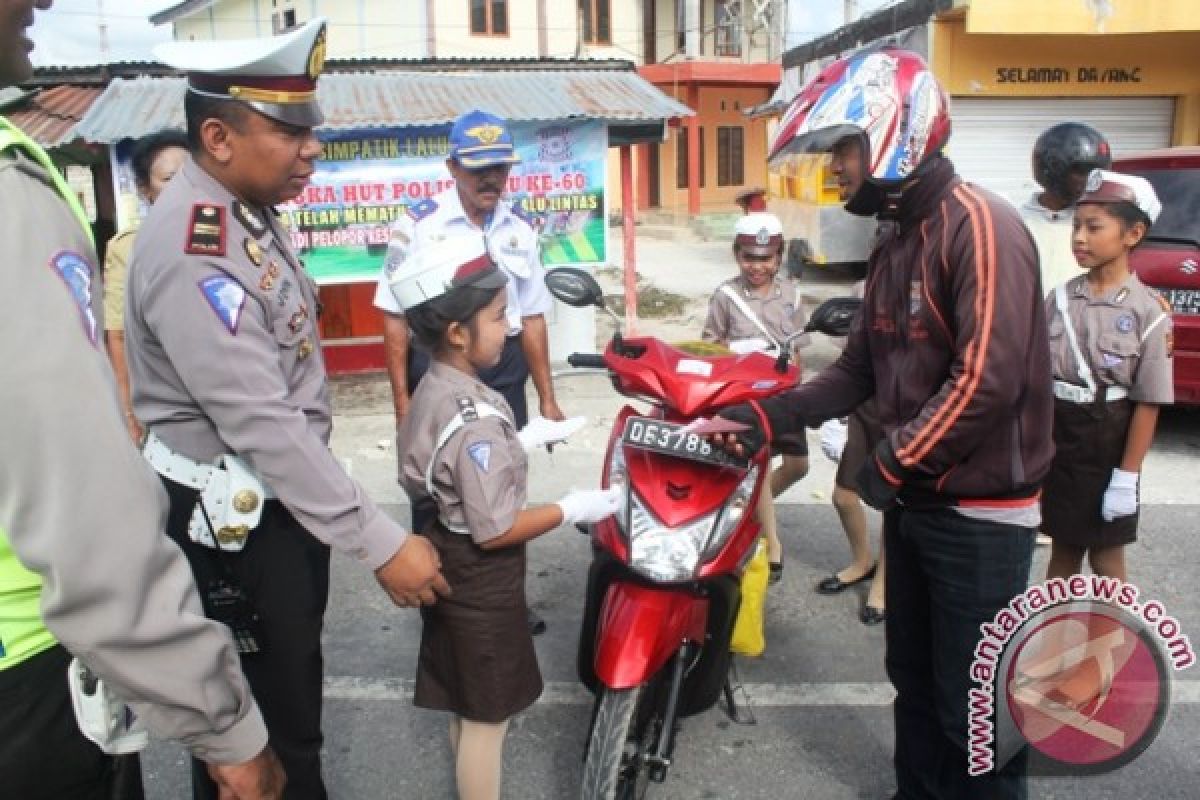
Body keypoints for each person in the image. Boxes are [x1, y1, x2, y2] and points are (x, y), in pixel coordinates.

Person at [711, 48, 1053, 798]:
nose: (835, 168)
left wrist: (885, 465)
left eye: (844, 148)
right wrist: (760, 418)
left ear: (896, 133)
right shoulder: (895, 238)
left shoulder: (981, 227)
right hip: (917, 504)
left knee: (977, 710)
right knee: (915, 680)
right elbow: (856, 372)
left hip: (979, 518)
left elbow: (984, 381)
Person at [125, 18, 449, 799]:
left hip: (265, 510)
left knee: (283, 714)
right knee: (264, 745)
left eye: (312, 129)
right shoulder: (196, 247)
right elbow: (261, 423)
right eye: (289, 129)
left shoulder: (245, 214)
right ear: (218, 135)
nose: (311, 149)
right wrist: (377, 540)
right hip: (233, 526)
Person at [1, 1, 283, 798]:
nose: (41, 5)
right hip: (28, 665)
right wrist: (221, 723)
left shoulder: (258, 231)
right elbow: (81, 502)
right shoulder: (12, 191)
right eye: (286, 132)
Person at [389, 235, 620, 800]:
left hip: (446, 552)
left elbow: (444, 463)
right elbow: (494, 529)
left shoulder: (439, 385)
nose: (510, 326)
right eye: (498, 317)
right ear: (458, 333)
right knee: (488, 720)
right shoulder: (473, 418)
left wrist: (519, 437)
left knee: (467, 702)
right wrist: (571, 507)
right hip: (479, 580)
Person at [373, 108, 564, 635]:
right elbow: (393, 318)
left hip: (502, 377)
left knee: (502, 485)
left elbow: (532, 315)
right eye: (479, 168)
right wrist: (403, 408)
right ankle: (434, 595)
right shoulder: (418, 225)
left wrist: (547, 399)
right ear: (452, 166)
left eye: (500, 167)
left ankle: (503, 598)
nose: (491, 179)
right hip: (434, 373)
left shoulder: (521, 227)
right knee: (435, 492)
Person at [1042, 170, 1172, 584]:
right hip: (1061, 437)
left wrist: (1127, 476)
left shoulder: (1147, 311)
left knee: (1106, 561)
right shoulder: (1061, 298)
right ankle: (1056, 647)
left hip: (1108, 442)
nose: (1079, 237)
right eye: (1076, 226)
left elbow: (1148, 400)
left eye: (1094, 227)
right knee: (1062, 554)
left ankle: (1113, 648)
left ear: (1133, 234)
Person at [701, 211, 809, 582]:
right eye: (749, 257)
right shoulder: (725, 296)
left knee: (798, 466)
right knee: (760, 463)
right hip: (746, 398)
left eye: (765, 258)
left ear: (778, 257)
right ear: (737, 255)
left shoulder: (792, 295)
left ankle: (749, 510)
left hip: (785, 396)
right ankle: (773, 541)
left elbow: (798, 351)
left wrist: (803, 392)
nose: (757, 266)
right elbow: (710, 348)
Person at [103, 129, 190, 443]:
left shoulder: (233, 238)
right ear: (144, 191)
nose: (183, 186)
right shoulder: (129, 249)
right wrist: (127, 411)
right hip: (166, 402)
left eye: (190, 175)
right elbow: (118, 334)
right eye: (168, 179)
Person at [1021, 123, 1113, 297]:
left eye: (1094, 173)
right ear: (1052, 168)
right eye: (1080, 172)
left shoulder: (1102, 225)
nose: (1088, 181)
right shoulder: (1016, 223)